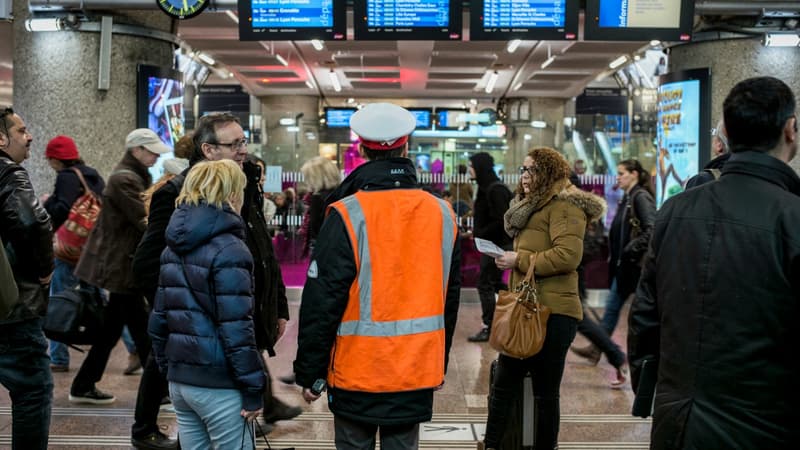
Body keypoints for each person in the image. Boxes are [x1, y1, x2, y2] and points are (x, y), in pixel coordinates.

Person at [629, 76, 800, 449]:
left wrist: (649, 393)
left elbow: (645, 313)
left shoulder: (676, 209)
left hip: (677, 423)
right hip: (769, 425)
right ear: (790, 130)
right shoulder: (793, 217)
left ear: (726, 134)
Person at [294, 102, 461, 450]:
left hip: (358, 369)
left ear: (362, 149)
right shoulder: (442, 213)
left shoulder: (345, 212)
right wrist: (438, 360)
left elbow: (323, 300)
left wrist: (310, 370)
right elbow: (451, 295)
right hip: (416, 367)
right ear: (407, 146)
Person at [132, 113, 299, 449]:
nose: (243, 150)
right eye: (233, 144)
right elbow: (148, 263)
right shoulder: (178, 194)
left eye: (243, 141)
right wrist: (188, 311)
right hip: (207, 348)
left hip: (225, 323)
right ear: (208, 149)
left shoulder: (243, 182)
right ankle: (144, 425)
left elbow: (263, 249)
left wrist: (277, 305)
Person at [482, 147, 603, 450]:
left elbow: (568, 256)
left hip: (554, 312)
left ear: (548, 172)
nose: (525, 176)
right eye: (523, 170)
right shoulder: (530, 207)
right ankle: (492, 444)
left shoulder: (564, 206)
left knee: (545, 392)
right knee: (504, 384)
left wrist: (518, 259)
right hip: (527, 307)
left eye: (532, 170)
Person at [149, 159, 266, 450]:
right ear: (231, 193)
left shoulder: (171, 246)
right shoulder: (230, 249)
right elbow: (237, 327)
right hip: (219, 383)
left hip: (181, 382)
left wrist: (170, 369)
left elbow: (158, 320)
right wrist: (253, 388)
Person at [69, 129, 170, 407]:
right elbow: (144, 219)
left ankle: (83, 384)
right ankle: (159, 390)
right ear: (136, 150)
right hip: (121, 267)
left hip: (123, 265)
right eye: (151, 151)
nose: (156, 156)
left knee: (112, 330)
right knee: (143, 332)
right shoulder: (125, 179)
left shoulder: (134, 176)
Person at [0, 106, 55, 450]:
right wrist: (44, 268)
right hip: (12, 307)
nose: (29, 135)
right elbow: (33, 221)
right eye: (21, 130)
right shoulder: (8, 173)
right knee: (32, 389)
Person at [572, 159, 654, 386]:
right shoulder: (627, 198)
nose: (617, 177)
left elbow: (651, 229)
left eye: (621, 173)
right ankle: (601, 350)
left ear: (635, 174)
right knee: (611, 311)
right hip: (624, 267)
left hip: (634, 268)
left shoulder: (640, 197)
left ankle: (620, 355)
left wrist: (630, 249)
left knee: (640, 317)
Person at [41, 135, 105, 373]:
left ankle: (58, 357)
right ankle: (127, 346)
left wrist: (47, 203)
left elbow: (63, 209)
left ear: (57, 159)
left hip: (69, 249)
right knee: (100, 297)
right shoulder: (93, 175)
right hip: (92, 248)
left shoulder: (67, 177)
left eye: (50, 159)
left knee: (59, 298)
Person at [467, 152, 513, 342]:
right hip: (491, 244)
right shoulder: (486, 188)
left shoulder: (495, 189)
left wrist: (482, 232)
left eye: (472, 165)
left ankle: (490, 325)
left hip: (497, 246)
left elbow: (502, 220)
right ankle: (502, 321)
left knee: (485, 283)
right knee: (494, 284)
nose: (469, 169)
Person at [298, 156, 341, 257]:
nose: (306, 181)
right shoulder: (340, 193)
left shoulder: (317, 198)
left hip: (323, 247)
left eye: (308, 177)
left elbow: (315, 228)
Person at [684, 119, 730, 189]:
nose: (713, 137)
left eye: (714, 133)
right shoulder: (750, 177)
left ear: (719, 145)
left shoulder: (702, 181)